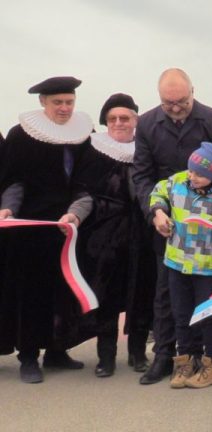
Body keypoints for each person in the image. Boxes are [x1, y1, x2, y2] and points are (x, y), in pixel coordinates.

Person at [133, 68, 212, 385]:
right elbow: (142, 176)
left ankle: (208, 357)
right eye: (168, 102)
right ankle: (166, 356)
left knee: (206, 297)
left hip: (206, 229)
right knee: (166, 293)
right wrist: (156, 213)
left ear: (193, 91)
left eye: (181, 101)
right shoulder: (147, 124)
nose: (175, 108)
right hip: (168, 225)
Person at [0, 76, 93, 383]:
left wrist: (76, 212)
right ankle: (28, 356)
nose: (65, 108)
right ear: (42, 102)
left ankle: (57, 349)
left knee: (63, 292)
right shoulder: (21, 135)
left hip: (69, 227)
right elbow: (14, 180)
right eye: (57, 103)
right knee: (31, 293)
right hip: (30, 229)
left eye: (69, 102)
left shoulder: (84, 133)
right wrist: (9, 208)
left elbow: (86, 181)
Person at [72, 93, 155, 377]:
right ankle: (105, 357)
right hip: (103, 236)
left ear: (136, 120)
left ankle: (138, 353)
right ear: (106, 122)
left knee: (142, 292)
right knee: (105, 295)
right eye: (112, 119)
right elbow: (81, 190)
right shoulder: (93, 149)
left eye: (125, 118)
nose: (119, 123)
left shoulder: (146, 150)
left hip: (143, 233)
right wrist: (77, 215)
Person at [149, 142, 212, 388]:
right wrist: (159, 211)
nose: (193, 176)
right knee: (180, 315)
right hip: (177, 262)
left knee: (207, 316)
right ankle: (185, 362)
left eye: (199, 174)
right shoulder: (176, 181)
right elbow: (156, 193)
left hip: (207, 267)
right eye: (191, 170)